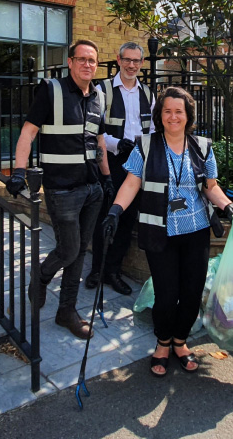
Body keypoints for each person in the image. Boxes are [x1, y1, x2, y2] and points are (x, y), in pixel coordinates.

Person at [101, 86, 233, 377]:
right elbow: (131, 183)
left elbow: (211, 188)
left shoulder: (202, 146)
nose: (173, 116)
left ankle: (181, 342)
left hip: (196, 231)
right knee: (167, 295)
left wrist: (229, 206)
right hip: (160, 231)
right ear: (160, 114)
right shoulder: (146, 145)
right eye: (167, 111)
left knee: (191, 293)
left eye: (179, 111)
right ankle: (163, 343)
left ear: (188, 115)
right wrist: (115, 210)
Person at [6, 39, 114, 340]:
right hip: (61, 188)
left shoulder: (98, 97)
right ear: (70, 62)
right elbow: (28, 133)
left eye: (92, 60)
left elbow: (99, 141)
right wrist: (18, 170)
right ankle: (40, 276)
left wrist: (106, 179)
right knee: (68, 249)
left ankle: (66, 310)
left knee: (80, 252)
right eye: (81, 59)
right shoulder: (51, 90)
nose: (87, 65)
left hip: (92, 188)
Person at [85, 42, 155, 295]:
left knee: (126, 220)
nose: (132, 65)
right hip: (110, 162)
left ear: (142, 64)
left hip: (137, 165)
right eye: (128, 60)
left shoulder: (147, 93)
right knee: (104, 215)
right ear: (118, 60)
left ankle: (112, 271)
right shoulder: (102, 89)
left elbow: (155, 130)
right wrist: (116, 144)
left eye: (137, 61)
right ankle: (96, 269)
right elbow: (93, 128)